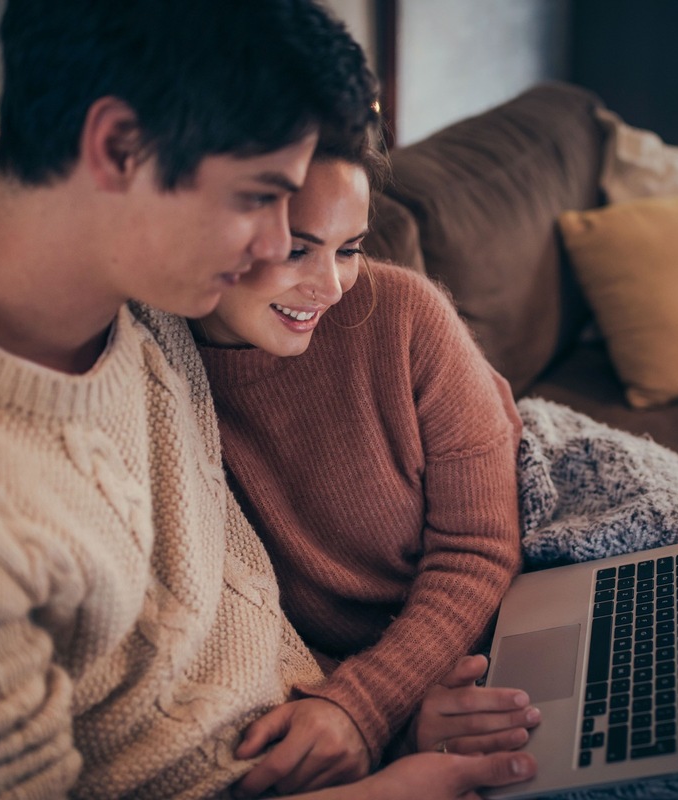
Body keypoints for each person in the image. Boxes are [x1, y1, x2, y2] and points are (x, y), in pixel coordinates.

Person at [0, 0, 535, 797]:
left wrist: (384, 718)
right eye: (261, 198)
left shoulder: (148, 310)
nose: (277, 251)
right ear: (119, 148)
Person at [185, 118, 530, 793]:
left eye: (349, 249)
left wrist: (370, 704)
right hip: (379, 678)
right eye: (298, 250)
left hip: (490, 601)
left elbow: (480, 545)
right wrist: (392, 719)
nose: (331, 286)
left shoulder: (403, 315)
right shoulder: (161, 381)